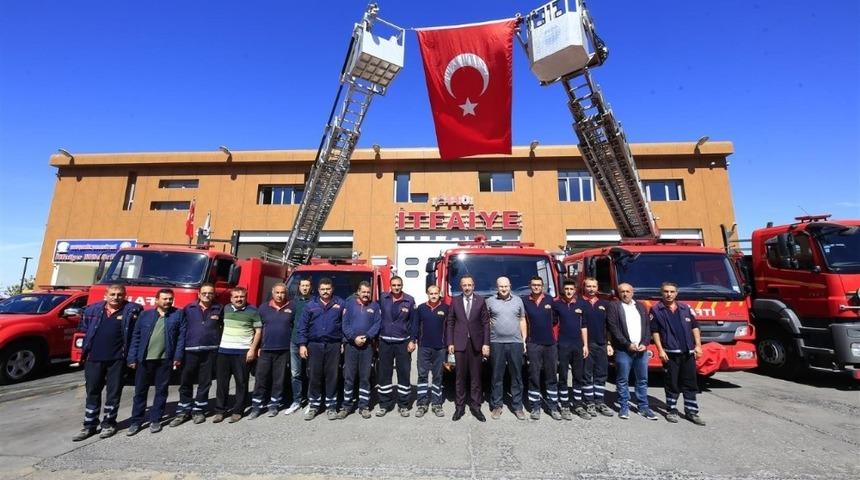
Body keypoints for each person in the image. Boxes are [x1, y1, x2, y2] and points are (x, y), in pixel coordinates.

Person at [72, 284, 143, 441]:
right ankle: (89, 425)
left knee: (113, 393)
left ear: (125, 295)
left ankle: (109, 424)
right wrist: (82, 353)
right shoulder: (92, 310)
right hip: (94, 358)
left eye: (119, 294)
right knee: (92, 392)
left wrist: (131, 357)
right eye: (112, 294)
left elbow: (136, 335)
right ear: (106, 295)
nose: (116, 297)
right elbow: (83, 332)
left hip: (117, 359)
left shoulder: (132, 310)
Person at [126, 289, 186, 435]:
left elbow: (181, 338)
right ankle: (136, 421)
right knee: (140, 391)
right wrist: (132, 357)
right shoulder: (145, 315)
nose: (168, 301)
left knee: (161, 391)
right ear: (157, 299)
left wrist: (177, 357)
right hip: (144, 360)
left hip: (165, 360)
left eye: (170, 299)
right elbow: (136, 337)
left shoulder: (178, 315)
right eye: (165, 299)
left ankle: (156, 419)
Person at [650, 282, 705, 426]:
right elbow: (655, 331)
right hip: (670, 353)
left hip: (688, 352)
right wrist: (660, 350)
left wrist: (698, 345)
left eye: (672, 291)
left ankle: (691, 412)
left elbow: (695, 327)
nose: (669, 294)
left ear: (677, 293)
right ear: (661, 293)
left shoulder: (686, 308)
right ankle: (671, 410)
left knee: (690, 382)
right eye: (666, 291)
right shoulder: (656, 310)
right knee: (672, 383)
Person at [171, 283, 223, 427]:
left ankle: (198, 410)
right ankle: (183, 410)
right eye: (204, 293)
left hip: (210, 351)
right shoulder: (189, 309)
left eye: (210, 293)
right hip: (190, 350)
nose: (207, 295)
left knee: (205, 382)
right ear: (199, 294)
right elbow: (181, 330)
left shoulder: (219, 309)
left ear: (214, 295)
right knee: (186, 381)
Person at [297, 277, 345, 421]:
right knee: (314, 376)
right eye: (323, 289)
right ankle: (314, 406)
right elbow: (302, 327)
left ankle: (331, 406)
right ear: (318, 290)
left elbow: (345, 325)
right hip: (314, 345)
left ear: (332, 289)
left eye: (328, 289)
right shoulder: (310, 305)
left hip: (333, 345)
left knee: (332, 376)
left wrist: (343, 342)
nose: (325, 292)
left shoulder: (340, 304)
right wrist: (302, 344)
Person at [607, 283, 657, 420]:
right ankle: (623, 406)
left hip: (641, 350)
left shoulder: (640, 306)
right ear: (618, 293)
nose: (625, 294)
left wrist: (645, 343)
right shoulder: (614, 306)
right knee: (622, 379)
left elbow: (647, 327)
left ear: (632, 292)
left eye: (628, 291)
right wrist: (627, 344)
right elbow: (613, 327)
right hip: (624, 350)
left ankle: (643, 407)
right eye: (622, 291)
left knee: (642, 380)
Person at [213, 287, 262, 423]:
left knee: (241, 383)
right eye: (236, 297)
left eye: (242, 296)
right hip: (224, 351)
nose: (239, 299)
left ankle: (238, 411)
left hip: (242, 352)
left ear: (246, 297)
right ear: (231, 298)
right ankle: (219, 411)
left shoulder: (253, 311)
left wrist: (252, 349)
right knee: (222, 383)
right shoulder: (225, 309)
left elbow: (258, 331)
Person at [446, 274, 490, 422]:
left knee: (476, 377)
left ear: (473, 286)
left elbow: (485, 324)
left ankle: (476, 406)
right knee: (459, 377)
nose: (467, 287)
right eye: (464, 285)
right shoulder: (455, 301)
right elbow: (450, 322)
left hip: (476, 344)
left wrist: (486, 343)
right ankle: (459, 407)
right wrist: (450, 342)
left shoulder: (481, 301)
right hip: (459, 343)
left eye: (469, 285)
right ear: (461, 286)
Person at [248, 283, 294, 419]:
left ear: (286, 294)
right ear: (272, 293)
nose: (280, 295)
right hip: (266, 349)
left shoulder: (292, 307)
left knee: (278, 380)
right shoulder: (263, 308)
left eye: (283, 293)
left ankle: (274, 405)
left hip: (283, 350)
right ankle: (256, 407)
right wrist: (256, 347)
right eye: (277, 292)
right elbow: (257, 329)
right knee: (261, 378)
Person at [485, 276, 527, 421]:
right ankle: (497, 405)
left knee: (516, 376)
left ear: (510, 286)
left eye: (506, 286)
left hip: (515, 343)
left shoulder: (518, 301)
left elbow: (522, 320)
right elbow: (486, 322)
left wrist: (524, 340)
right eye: (501, 286)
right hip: (496, 343)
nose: (503, 289)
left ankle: (518, 406)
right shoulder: (489, 301)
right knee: (497, 375)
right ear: (497, 287)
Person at [376, 276, 417, 417]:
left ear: (402, 285)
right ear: (390, 286)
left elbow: (414, 323)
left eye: (399, 285)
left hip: (403, 343)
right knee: (384, 374)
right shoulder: (382, 298)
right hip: (385, 342)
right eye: (394, 285)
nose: (396, 287)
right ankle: (384, 404)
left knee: (404, 373)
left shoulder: (409, 300)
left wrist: (413, 340)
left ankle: (403, 405)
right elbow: (376, 317)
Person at [522, 276, 562, 421]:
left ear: (543, 286)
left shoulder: (550, 300)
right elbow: (522, 321)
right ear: (530, 286)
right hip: (533, 343)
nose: (536, 287)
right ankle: (535, 406)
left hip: (550, 344)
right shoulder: (524, 301)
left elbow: (555, 320)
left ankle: (552, 406)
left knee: (551, 375)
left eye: (539, 285)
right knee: (534, 375)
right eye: (534, 285)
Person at [339, 281, 381, 419]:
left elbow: (377, 324)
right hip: (351, 346)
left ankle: (364, 406)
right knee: (349, 377)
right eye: (363, 292)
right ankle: (346, 406)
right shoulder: (349, 305)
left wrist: (368, 336)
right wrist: (353, 338)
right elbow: (345, 324)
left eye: (368, 292)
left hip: (367, 346)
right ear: (358, 292)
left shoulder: (374, 306)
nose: (366, 294)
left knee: (365, 377)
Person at [553, 279, 590, 420]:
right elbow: (553, 325)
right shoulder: (557, 304)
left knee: (578, 376)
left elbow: (584, 326)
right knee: (562, 376)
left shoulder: (581, 304)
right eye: (566, 289)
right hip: (562, 345)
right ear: (563, 290)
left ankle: (578, 404)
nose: (569, 291)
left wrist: (585, 345)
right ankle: (565, 405)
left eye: (571, 289)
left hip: (577, 345)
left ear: (575, 290)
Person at [580, 277, 614, 417]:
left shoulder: (604, 304)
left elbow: (608, 326)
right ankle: (589, 402)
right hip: (586, 345)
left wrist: (609, 344)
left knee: (601, 374)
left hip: (601, 344)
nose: (591, 289)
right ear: (584, 287)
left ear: (597, 287)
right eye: (588, 286)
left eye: (594, 286)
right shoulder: (579, 303)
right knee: (587, 374)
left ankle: (599, 401)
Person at [413, 284, 448, 418]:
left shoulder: (446, 308)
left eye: (436, 293)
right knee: (422, 375)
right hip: (424, 347)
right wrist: (413, 340)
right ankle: (422, 404)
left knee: (437, 376)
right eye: (431, 293)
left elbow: (449, 327)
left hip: (440, 347)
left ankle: (436, 404)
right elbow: (415, 326)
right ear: (427, 294)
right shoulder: (421, 308)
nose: (433, 296)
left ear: (439, 294)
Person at [285, 277, 312, 415]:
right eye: (303, 285)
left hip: (310, 343)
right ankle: (296, 401)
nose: (305, 288)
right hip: (294, 342)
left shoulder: (314, 302)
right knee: (295, 373)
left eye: (307, 285)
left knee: (310, 373)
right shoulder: (293, 303)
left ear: (311, 287)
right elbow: (289, 321)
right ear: (299, 287)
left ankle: (310, 401)